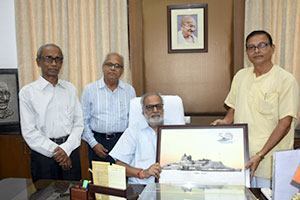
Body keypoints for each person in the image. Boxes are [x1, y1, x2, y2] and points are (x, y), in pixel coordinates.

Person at [212, 30, 299, 188]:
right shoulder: (241, 76)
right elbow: (234, 109)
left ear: (272, 48)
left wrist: (260, 155)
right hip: (242, 158)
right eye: (251, 47)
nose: (256, 50)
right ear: (247, 52)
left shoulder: (286, 80)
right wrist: (224, 122)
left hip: (271, 161)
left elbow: (285, 124)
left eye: (262, 45)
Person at [19, 44, 83, 182]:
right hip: (43, 156)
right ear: (38, 61)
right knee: (45, 195)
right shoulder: (27, 92)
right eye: (49, 58)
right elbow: (29, 131)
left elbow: (79, 124)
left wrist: (66, 149)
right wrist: (57, 152)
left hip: (71, 151)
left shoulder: (70, 89)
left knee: (74, 194)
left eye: (58, 59)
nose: (54, 63)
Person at [81, 53, 136, 166]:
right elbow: (83, 121)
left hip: (122, 142)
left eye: (117, 65)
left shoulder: (129, 91)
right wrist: (94, 144)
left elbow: (133, 121)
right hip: (98, 142)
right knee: (99, 181)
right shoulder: (90, 90)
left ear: (122, 70)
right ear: (103, 67)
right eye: (109, 64)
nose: (112, 68)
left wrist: (127, 144)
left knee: (121, 180)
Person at [109, 92, 166, 184]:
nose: (155, 110)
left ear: (163, 109)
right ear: (143, 111)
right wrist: (143, 173)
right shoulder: (133, 132)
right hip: (141, 186)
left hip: (170, 186)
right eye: (150, 107)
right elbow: (119, 166)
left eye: (158, 106)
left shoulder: (174, 130)